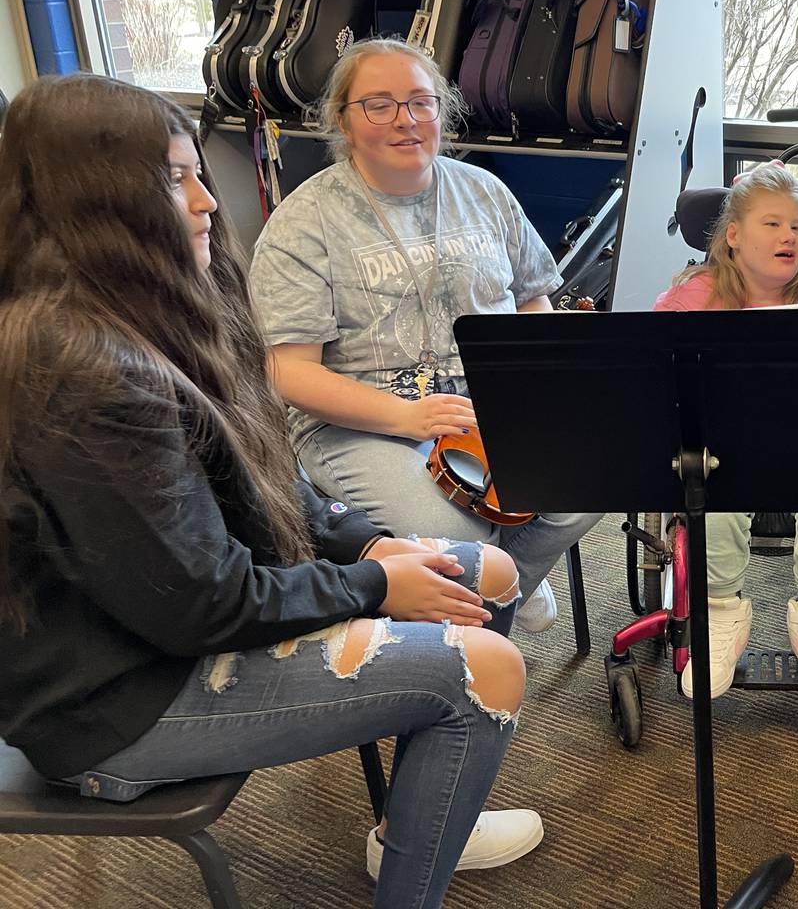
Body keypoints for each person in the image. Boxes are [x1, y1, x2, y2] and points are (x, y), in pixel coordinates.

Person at [0, 74, 541, 907]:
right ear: (100, 205)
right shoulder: (80, 369)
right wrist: (375, 585)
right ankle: (416, 854)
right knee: (484, 674)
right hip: (116, 704)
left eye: (196, 173)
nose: (206, 201)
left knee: (487, 573)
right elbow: (201, 606)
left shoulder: (134, 316)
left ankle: (423, 820)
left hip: (165, 638)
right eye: (175, 179)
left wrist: (366, 543)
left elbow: (262, 475)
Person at [249, 38, 599, 634]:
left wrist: (544, 377)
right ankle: (493, 597)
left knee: (601, 473)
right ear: (343, 120)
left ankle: (509, 582)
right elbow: (289, 371)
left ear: (443, 110)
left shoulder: (484, 192)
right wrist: (405, 418)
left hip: (490, 407)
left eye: (420, 102)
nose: (405, 120)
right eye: (378, 105)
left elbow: (534, 297)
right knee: (461, 536)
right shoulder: (303, 224)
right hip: (360, 423)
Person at [654, 163, 798, 707]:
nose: (789, 237)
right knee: (712, 468)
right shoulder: (692, 299)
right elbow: (655, 391)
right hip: (724, 452)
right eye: (772, 224)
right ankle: (722, 614)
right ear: (733, 235)